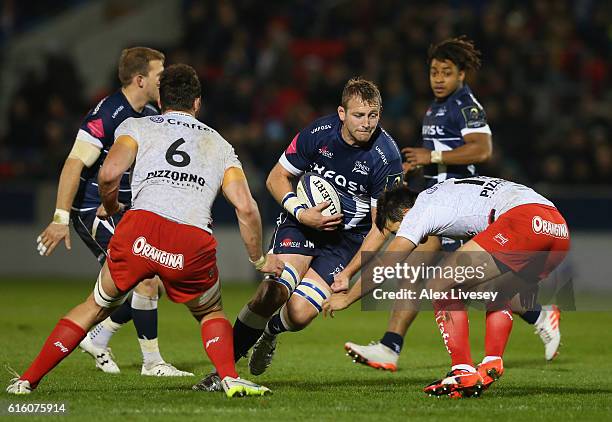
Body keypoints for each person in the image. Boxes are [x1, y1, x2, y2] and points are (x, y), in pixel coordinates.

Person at [8, 64, 283, 397]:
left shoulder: (136, 126)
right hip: (190, 239)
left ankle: (28, 380)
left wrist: (110, 208)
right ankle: (228, 377)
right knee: (210, 312)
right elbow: (246, 207)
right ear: (197, 103)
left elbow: (108, 174)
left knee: (94, 306)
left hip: (139, 230)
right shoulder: (219, 144)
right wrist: (258, 260)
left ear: (162, 100)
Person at [341, 37, 560, 372]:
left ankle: (536, 316)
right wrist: (422, 165)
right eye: (433, 72)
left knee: (469, 283)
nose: (438, 78)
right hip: (438, 201)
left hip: (460, 206)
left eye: (446, 72)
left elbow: (483, 149)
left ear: (462, 75)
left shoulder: (465, 105)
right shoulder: (435, 108)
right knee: (418, 273)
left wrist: (434, 155)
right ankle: (391, 346)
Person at [193, 77, 403, 391]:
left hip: (346, 242)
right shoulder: (318, 133)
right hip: (302, 223)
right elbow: (277, 177)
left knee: (300, 314)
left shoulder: (386, 157)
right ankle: (221, 373)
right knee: (272, 291)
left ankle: (270, 333)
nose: (367, 123)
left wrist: (349, 273)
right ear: (342, 113)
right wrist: (302, 212)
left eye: (373, 115)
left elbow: (380, 227)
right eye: (359, 115)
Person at [323, 177, 570, 398]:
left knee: (440, 284)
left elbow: (388, 262)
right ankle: (491, 363)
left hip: (523, 220)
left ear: (406, 213)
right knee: (494, 292)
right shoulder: (446, 194)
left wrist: (347, 298)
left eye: (395, 230)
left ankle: (461, 368)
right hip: (557, 228)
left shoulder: (419, 210)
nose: (406, 237)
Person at [35, 47, 192, 377]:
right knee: (146, 277)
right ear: (139, 79)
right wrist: (60, 217)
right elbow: (74, 163)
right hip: (95, 210)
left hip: (126, 210)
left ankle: (98, 337)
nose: (163, 81)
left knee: (149, 283)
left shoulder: (149, 112)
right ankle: (152, 362)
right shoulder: (108, 113)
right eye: (159, 76)